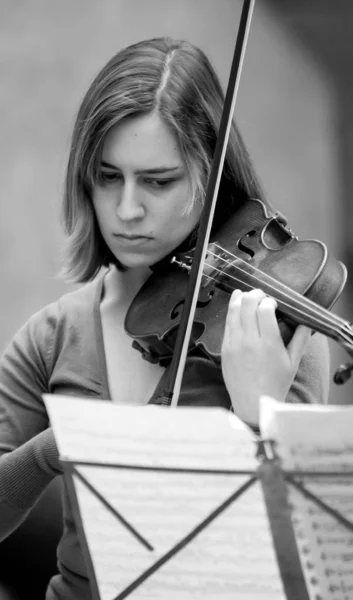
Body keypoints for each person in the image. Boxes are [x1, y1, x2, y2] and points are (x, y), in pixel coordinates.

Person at [0, 37, 330, 599]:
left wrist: (261, 416)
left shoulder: (275, 329)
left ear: (212, 175)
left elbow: (298, 565)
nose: (127, 210)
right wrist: (54, 448)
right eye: (109, 177)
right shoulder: (54, 335)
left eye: (158, 181)